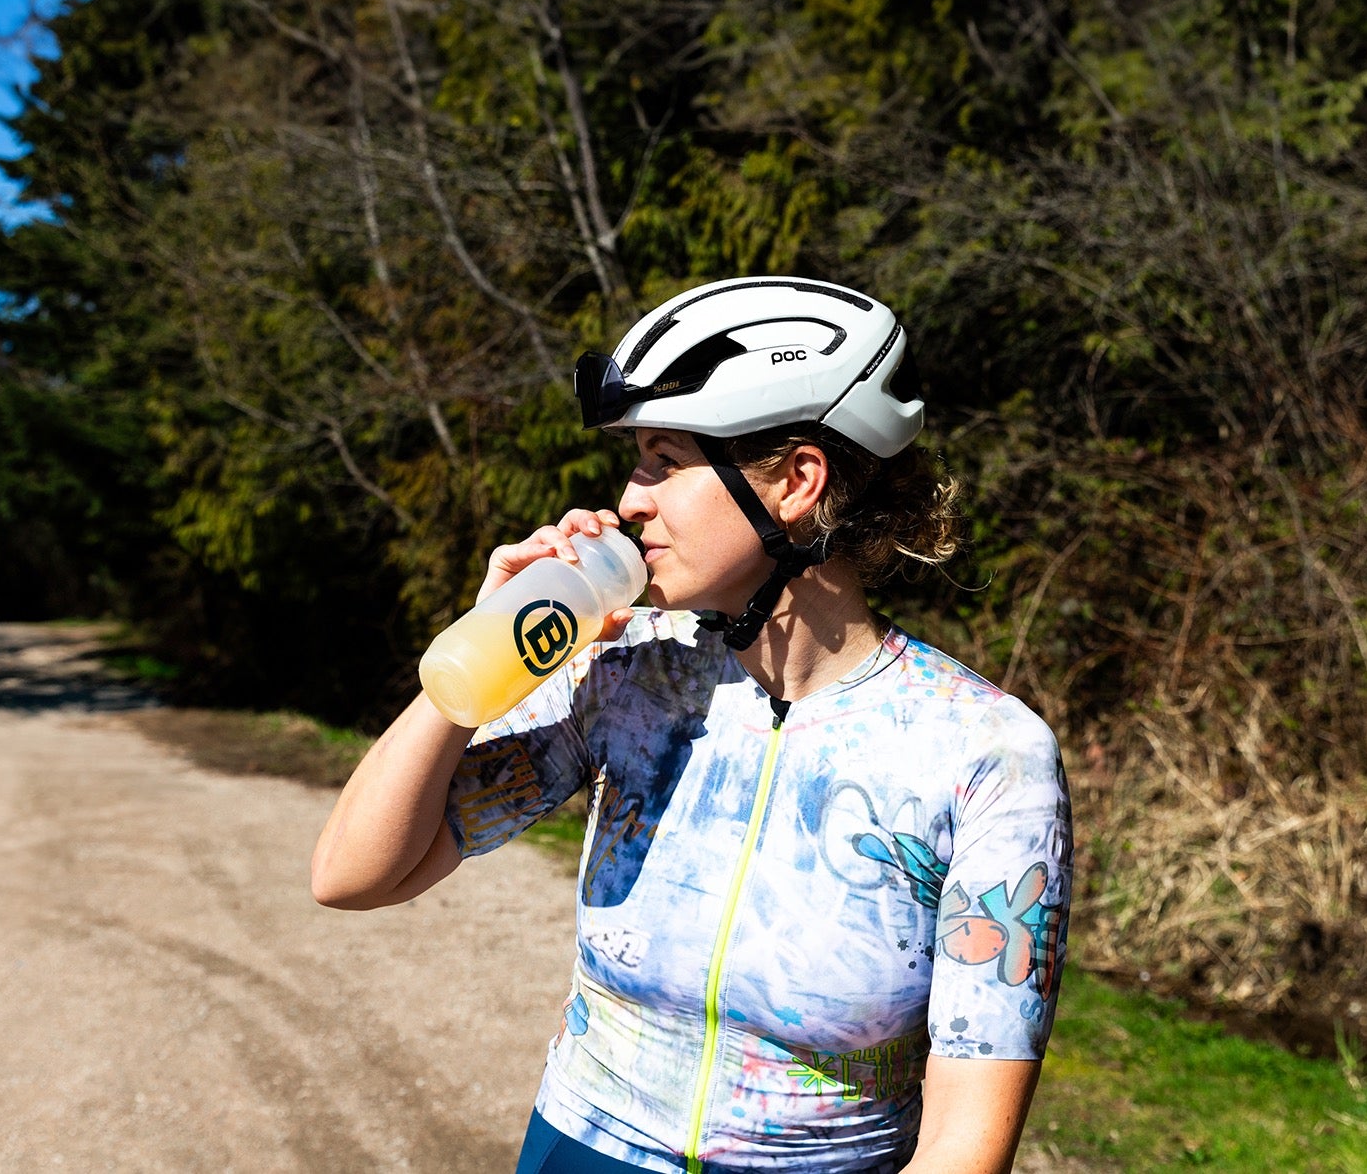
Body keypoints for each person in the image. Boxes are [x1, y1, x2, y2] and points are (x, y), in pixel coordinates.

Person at [311, 277, 1072, 1174]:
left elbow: (963, 1144)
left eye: (663, 461)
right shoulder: (625, 671)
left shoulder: (983, 753)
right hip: (583, 1149)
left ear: (795, 482)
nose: (631, 500)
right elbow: (354, 876)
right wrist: (476, 660)